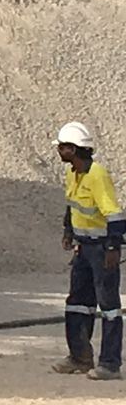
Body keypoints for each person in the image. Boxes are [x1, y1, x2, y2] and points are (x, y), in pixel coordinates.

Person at [53, 121, 123, 381]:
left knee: (109, 307)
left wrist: (113, 246)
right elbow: (72, 205)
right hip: (83, 247)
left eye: (62, 147)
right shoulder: (72, 174)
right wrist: (68, 231)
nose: (59, 150)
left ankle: (110, 364)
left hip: (102, 248)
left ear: (72, 149)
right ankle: (80, 357)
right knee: (77, 304)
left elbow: (114, 213)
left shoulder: (97, 175)